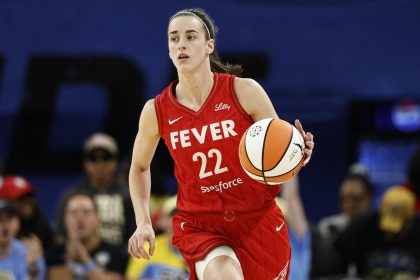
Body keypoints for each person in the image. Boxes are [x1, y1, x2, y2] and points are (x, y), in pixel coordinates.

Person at [127, 8, 314, 280]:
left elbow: (279, 151)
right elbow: (139, 167)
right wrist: (143, 222)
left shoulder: (244, 91)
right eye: (174, 38)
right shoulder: (155, 111)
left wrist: (299, 155)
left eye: (191, 37)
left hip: (256, 219)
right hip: (201, 225)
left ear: (209, 45)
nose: (181, 44)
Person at [55, 132, 136, 248]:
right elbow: (60, 235)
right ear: (85, 163)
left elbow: (136, 234)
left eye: (106, 158)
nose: (100, 164)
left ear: (115, 162)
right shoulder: (72, 196)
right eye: (93, 158)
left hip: (119, 261)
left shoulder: (129, 195)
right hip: (79, 259)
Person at [335, 186, 420, 278]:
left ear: (411, 221)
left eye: (397, 231)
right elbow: (338, 258)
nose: (390, 234)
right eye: (386, 228)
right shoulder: (361, 227)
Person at [46, 191, 128, 279]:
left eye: (86, 212)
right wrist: (70, 261)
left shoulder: (116, 254)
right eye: (74, 213)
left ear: (98, 220)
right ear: (65, 220)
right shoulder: (53, 254)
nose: (80, 218)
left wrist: (84, 259)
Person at [126, 195, 189, 280]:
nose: (180, 222)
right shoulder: (145, 249)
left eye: (186, 216)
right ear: (162, 221)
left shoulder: (204, 253)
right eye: (174, 215)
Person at [318, 164, 373, 241]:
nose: (349, 204)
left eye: (355, 199)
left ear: (368, 198)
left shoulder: (377, 229)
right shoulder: (329, 227)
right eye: (345, 198)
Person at [0, 175, 54, 251]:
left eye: (30, 197)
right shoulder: (4, 229)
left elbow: (51, 249)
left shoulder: (39, 221)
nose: (28, 202)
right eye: (21, 199)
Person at [0, 199, 46, 280]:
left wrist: (32, 268)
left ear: (18, 222)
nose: (5, 225)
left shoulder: (29, 252)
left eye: (9, 219)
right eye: (0, 219)